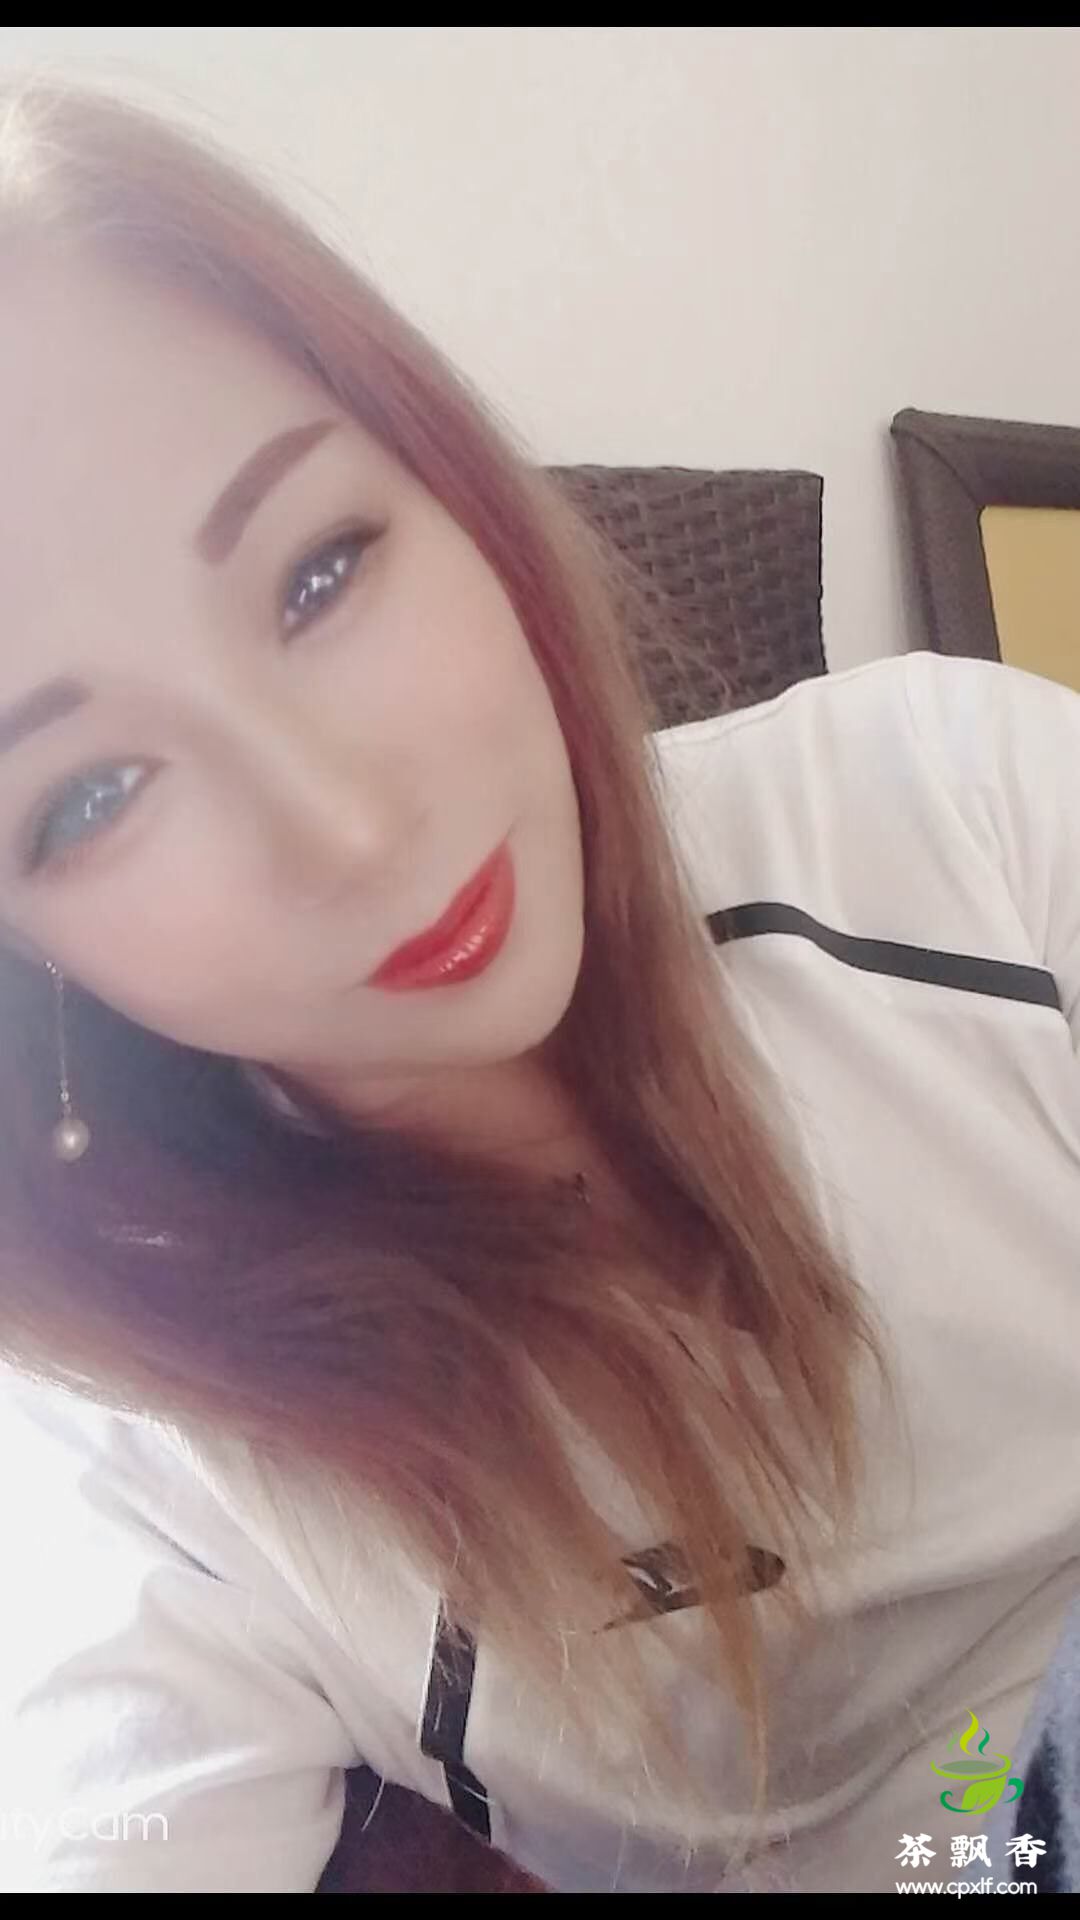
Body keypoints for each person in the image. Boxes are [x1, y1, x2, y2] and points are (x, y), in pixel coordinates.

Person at [0, 82, 1077, 1898]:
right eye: (89, 797)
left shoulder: (966, 815)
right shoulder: (136, 1457)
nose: (349, 829)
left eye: (320, 572)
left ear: (452, 479)